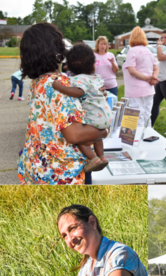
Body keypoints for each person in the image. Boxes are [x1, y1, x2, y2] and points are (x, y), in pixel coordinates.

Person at [18, 22, 107, 185]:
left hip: (40, 167)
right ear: (55, 50)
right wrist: (103, 131)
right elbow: (75, 135)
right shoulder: (62, 85)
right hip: (65, 173)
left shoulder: (39, 82)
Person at [52, 44, 112, 172]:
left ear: (69, 66)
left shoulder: (78, 79)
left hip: (93, 118)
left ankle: (93, 159)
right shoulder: (96, 78)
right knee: (97, 138)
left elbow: (79, 92)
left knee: (81, 140)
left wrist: (60, 87)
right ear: (93, 64)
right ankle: (102, 156)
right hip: (105, 117)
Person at [123, 27, 159, 128]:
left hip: (135, 90)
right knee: (147, 115)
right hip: (149, 90)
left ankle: (137, 140)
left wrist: (148, 78)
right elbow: (156, 69)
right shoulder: (149, 51)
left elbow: (132, 70)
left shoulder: (132, 51)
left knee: (135, 117)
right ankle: (147, 136)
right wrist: (153, 78)